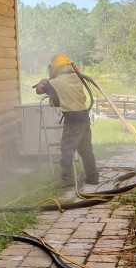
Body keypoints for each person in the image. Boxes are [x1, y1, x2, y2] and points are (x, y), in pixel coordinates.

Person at [34, 53, 98, 187]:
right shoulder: (76, 77)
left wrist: (42, 82)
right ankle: (93, 178)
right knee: (86, 150)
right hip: (84, 117)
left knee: (66, 149)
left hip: (73, 119)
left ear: (55, 68)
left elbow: (39, 91)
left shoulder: (55, 82)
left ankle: (66, 180)